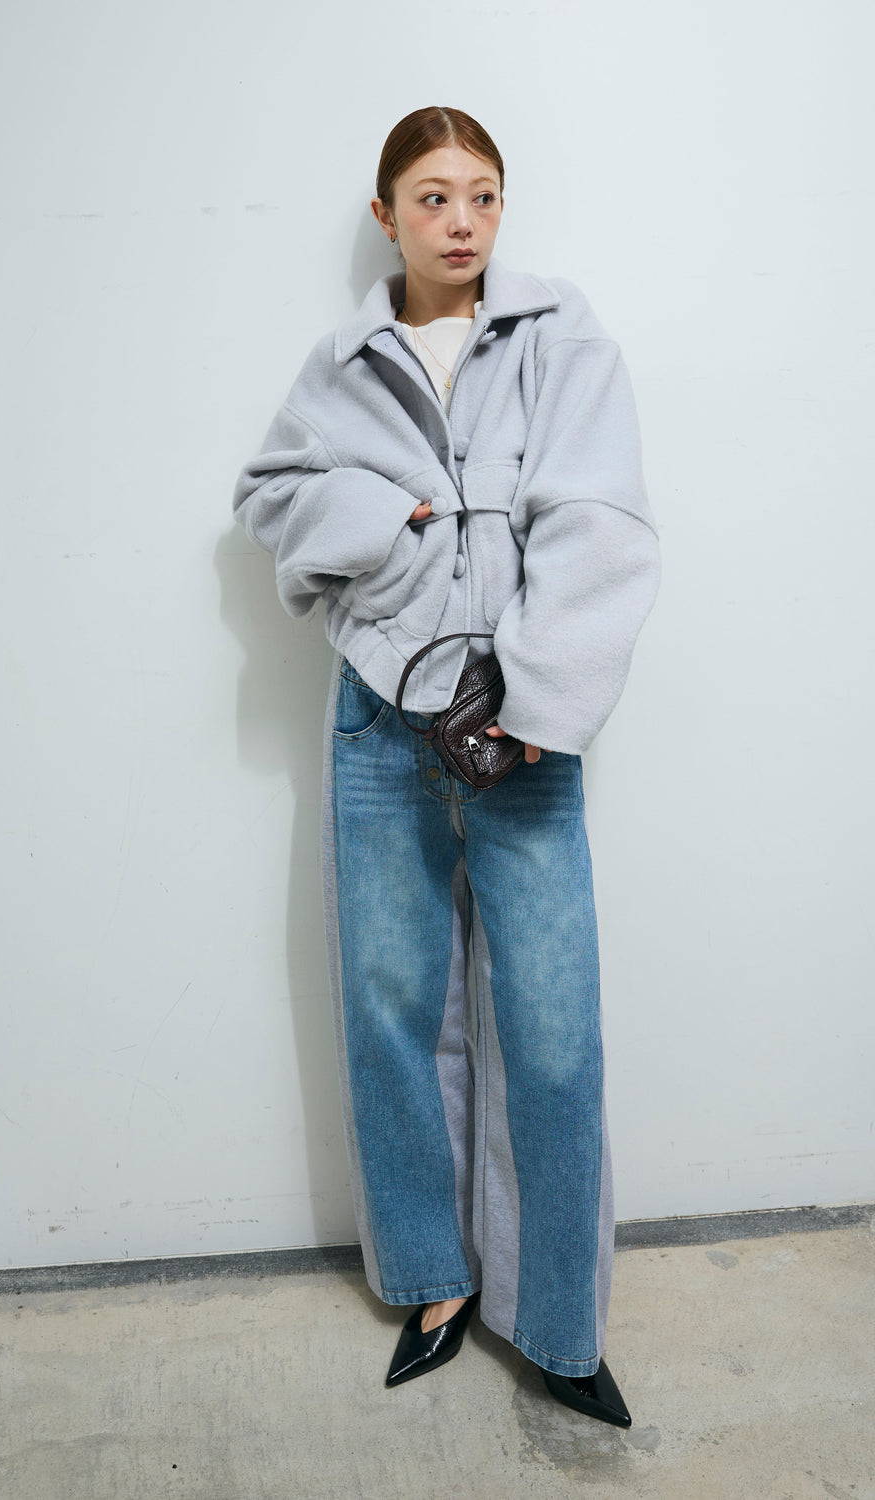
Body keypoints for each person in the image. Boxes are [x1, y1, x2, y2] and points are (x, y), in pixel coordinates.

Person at [232, 105, 660, 1427]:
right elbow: (268, 494)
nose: (461, 220)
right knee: (393, 1011)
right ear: (387, 216)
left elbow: (600, 518)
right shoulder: (344, 364)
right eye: (432, 197)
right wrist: (390, 514)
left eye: (482, 194)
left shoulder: (561, 339)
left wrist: (540, 699)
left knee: (553, 1029)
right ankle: (432, 1282)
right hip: (380, 719)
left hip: (524, 728)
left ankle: (560, 1323)